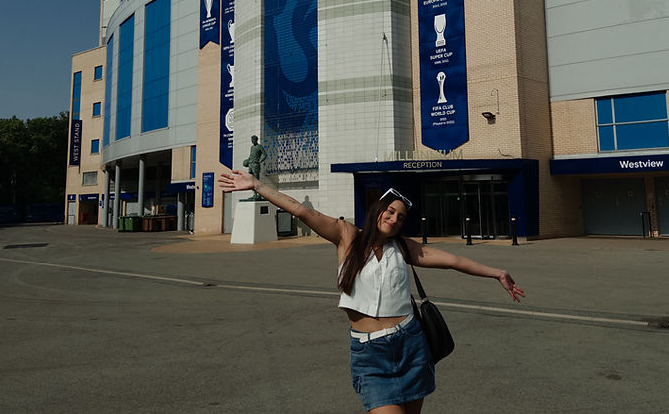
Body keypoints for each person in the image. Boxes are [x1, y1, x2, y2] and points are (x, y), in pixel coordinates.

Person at [219, 170, 525, 414]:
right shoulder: (347, 236)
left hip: (411, 345)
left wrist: (497, 272)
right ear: (379, 209)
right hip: (369, 354)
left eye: (400, 217)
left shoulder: (404, 247)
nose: (393, 219)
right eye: (390, 211)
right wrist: (257, 186)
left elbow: (454, 261)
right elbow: (301, 211)